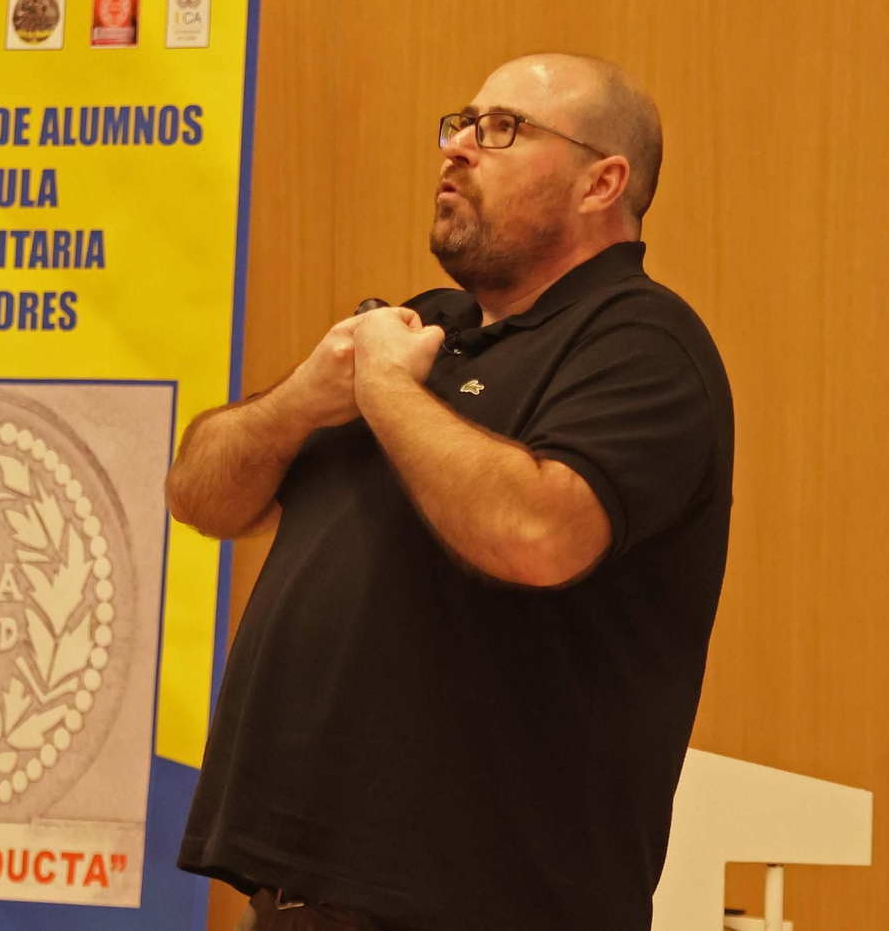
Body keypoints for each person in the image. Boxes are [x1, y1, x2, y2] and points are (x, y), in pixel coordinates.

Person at [169, 53, 735, 931]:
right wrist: (296, 402)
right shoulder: (427, 327)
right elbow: (200, 499)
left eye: (503, 129)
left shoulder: (642, 343)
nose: (459, 148)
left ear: (603, 181)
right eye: (460, 124)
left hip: (488, 906)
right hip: (298, 895)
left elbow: (536, 535)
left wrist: (386, 390)